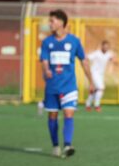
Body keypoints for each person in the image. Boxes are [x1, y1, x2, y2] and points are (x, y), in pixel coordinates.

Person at [40, 9, 95, 158]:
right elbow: (44, 61)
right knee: (52, 115)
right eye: (49, 21)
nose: (49, 24)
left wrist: (91, 81)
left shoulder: (74, 41)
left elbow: (84, 61)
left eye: (52, 21)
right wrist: (46, 70)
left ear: (61, 22)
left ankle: (68, 145)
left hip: (69, 86)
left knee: (68, 113)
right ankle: (55, 145)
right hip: (52, 86)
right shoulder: (47, 42)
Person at [85, 40, 116, 112]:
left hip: (100, 74)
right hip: (94, 73)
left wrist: (116, 61)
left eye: (107, 47)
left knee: (95, 90)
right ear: (102, 46)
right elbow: (87, 57)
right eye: (104, 46)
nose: (106, 48)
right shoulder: (96, 53)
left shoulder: (108, 54)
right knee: (101, 88)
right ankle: (97, 105)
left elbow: (113, 59)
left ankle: (88, 104)